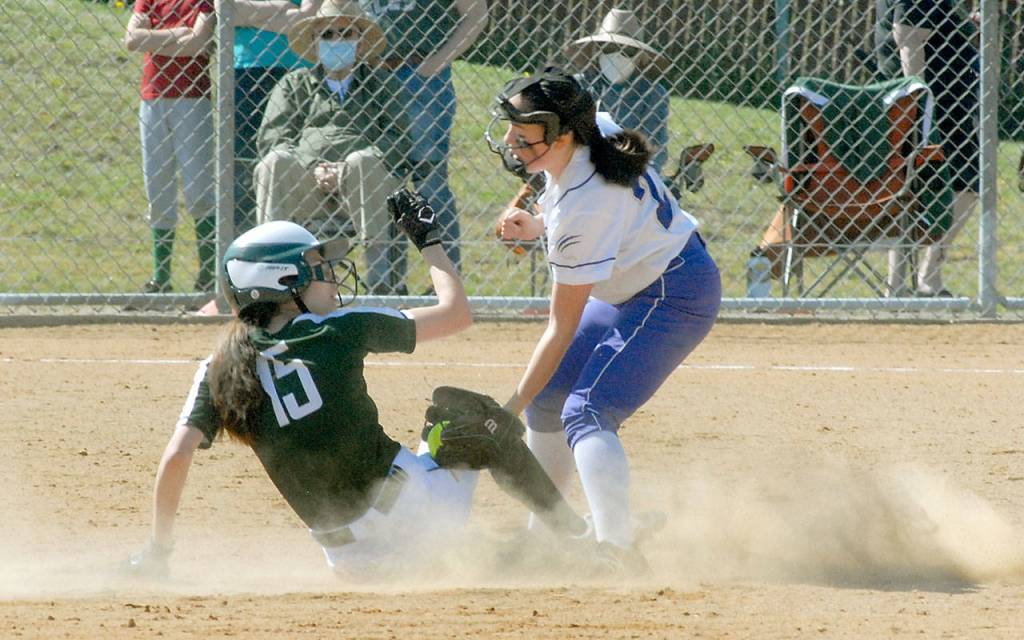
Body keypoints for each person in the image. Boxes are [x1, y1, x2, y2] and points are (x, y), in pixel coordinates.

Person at [125, 189, 587, 578]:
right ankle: (580, 540)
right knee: (467, 415)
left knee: (471, 535)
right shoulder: (337, 328)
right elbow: (456, 313)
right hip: (414, 518)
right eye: (316, 267)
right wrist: (428, 242)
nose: (330, 276)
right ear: (282, 280)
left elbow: (177, 455)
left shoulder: (219, 367)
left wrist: (159, 551)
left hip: (352, 563)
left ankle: (507, 557)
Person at [489, 70, 722, 569]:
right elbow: (584, 197)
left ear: (562, 135)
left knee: (587, 410)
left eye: (523, 131)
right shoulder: (593, 128)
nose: (510, 139)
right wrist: (539, 221)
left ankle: (618, 550)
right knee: (548, 400)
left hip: (673, 292)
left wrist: (509, 407)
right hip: (633, 280)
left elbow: (560, 329)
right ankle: (545, 538)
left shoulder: (585, 209)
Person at [254, 0, 414, 295]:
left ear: (360, 42)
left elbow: (399, 138)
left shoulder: (380, 84)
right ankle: (274, 276)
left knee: (363, 161)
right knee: (274, 162)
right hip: (306, 185)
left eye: (346, 33)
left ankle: (380, 284)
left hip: (362, 186)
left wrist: (346, 169)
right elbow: (272, 137)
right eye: (327, 34)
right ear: (315, 44)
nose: (336, 40)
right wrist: (312, 167)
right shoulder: (294, 84)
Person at [359, 0, 490, 272]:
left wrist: (432, 66)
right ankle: (389, 286)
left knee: (429, 182)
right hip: (372, 79)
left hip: (420, 78)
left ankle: (447, 279)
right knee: (382, 182)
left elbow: (477, 14)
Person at [124, 0, 216, 294]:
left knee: (199, 191)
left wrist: (153, 38)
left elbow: (199, 42)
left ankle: (208, 276)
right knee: (158, 188)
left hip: (193, 96)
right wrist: (180, 34)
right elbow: (132, 40)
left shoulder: (205, 2)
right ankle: (161, 278)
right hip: (152, 97)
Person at [888, 0, 980, 297]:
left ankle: (904, 283)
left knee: (913, 191)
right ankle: (923, 278)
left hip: (943, 108)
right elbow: (907, 35)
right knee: (967, 183)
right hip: (934, 113)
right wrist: (918, 109)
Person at [231, 1, 323, 234]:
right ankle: (247, 245)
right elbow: (228, 11)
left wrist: (254, 15)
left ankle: (300, 242)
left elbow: (308, 19)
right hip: (247, 71)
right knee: (245, 164)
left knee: (298, 161)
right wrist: (284, 8)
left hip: (300, 70)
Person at [560, 8, 670, 174]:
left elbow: (655, 152)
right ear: (597, 50)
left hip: (630, 173)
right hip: (578, 169)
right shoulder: (579, 85)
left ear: (640, 57)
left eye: (628, 50)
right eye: (609, 47)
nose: (617, 56)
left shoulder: (653, 94)